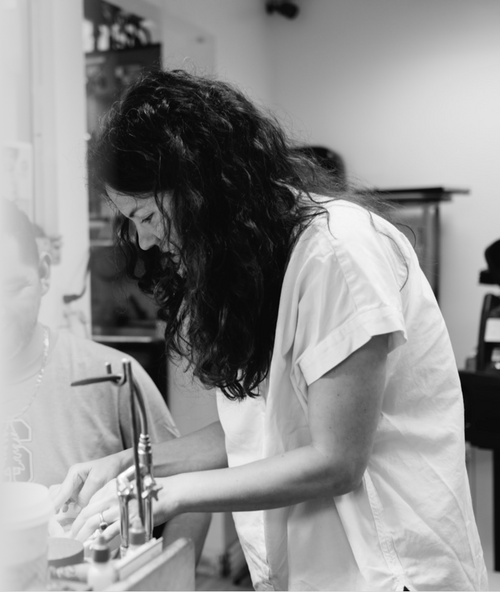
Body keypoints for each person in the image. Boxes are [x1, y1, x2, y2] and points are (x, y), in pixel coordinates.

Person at [53, 69, 487, 591]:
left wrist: (172, 494)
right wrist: (131, 467)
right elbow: (262, 426)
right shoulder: (259, 261)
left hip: (392, 568)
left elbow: (336, 460)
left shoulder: (338, 251)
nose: (144, 241)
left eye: (146, 215)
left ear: (200, 188)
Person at [0, 199, 210, 558]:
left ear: (44, 274)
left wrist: (168, 577)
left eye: (11, 288)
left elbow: (189, 496)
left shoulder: (113, 378)